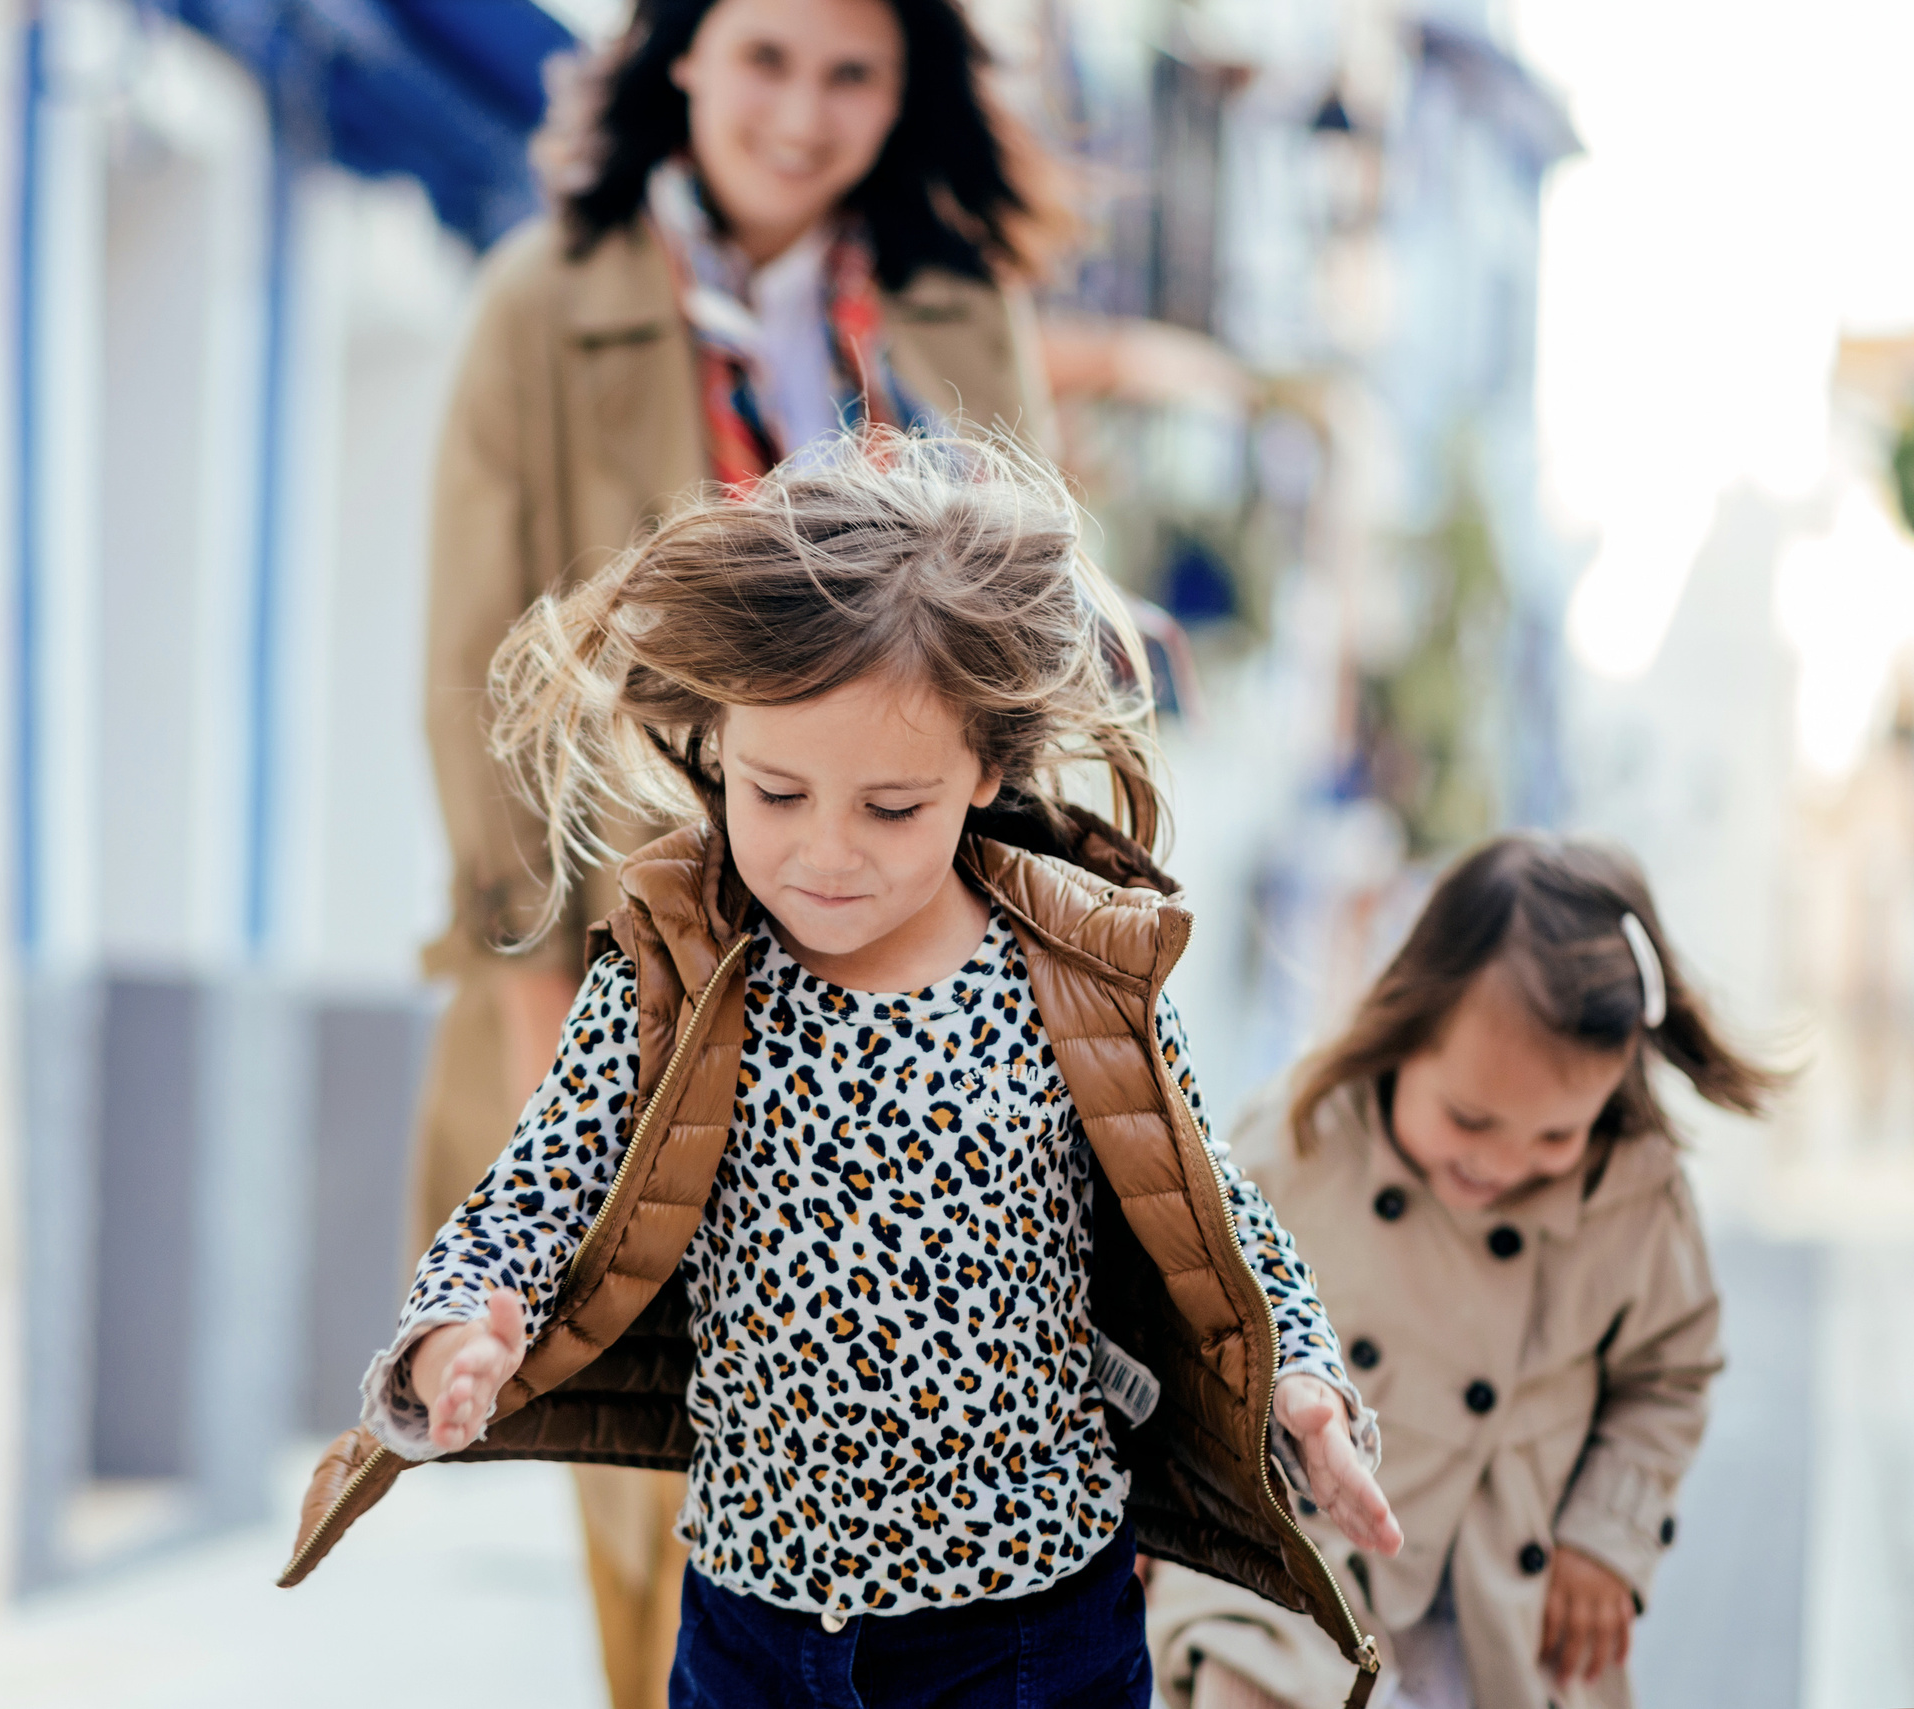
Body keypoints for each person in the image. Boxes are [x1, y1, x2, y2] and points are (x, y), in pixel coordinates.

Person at [356, 436, 1401, 1708]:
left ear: (987, 769)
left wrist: (1299, 1373)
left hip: (1030, 1635)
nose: (823, 854)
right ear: (717, 745)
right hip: (753, 1628)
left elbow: (1214, 1213)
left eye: (890, 807)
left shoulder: (1075, 972)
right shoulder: (677, 967)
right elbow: (534, 1190)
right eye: (776, 790)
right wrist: (452, 1334)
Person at [412, 2, 1062, 1699]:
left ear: (905, 91)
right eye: (766, 56)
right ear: (682, 56)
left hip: (918, 1004)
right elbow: (476, 670)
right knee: (668, 1536)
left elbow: (1030, 653)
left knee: (908, 1527)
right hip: (649, 981)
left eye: (852, 72)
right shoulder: (544, 306)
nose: (802, 112)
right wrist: (536, 1000)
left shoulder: (957, 314)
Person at [1145, 837, 1784, 1709]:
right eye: (1470, 1117)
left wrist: (1608, 1532)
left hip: (1504, 1584)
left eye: (1556, 1134)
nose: (1505, 1163)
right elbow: (1184, 1307)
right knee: (1244, 1682)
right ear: (1408, 1028)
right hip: (1300, 1552)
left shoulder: (1631, 1195)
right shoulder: (1304, 1132)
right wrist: (1151, 1487)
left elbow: (1668, 1376)